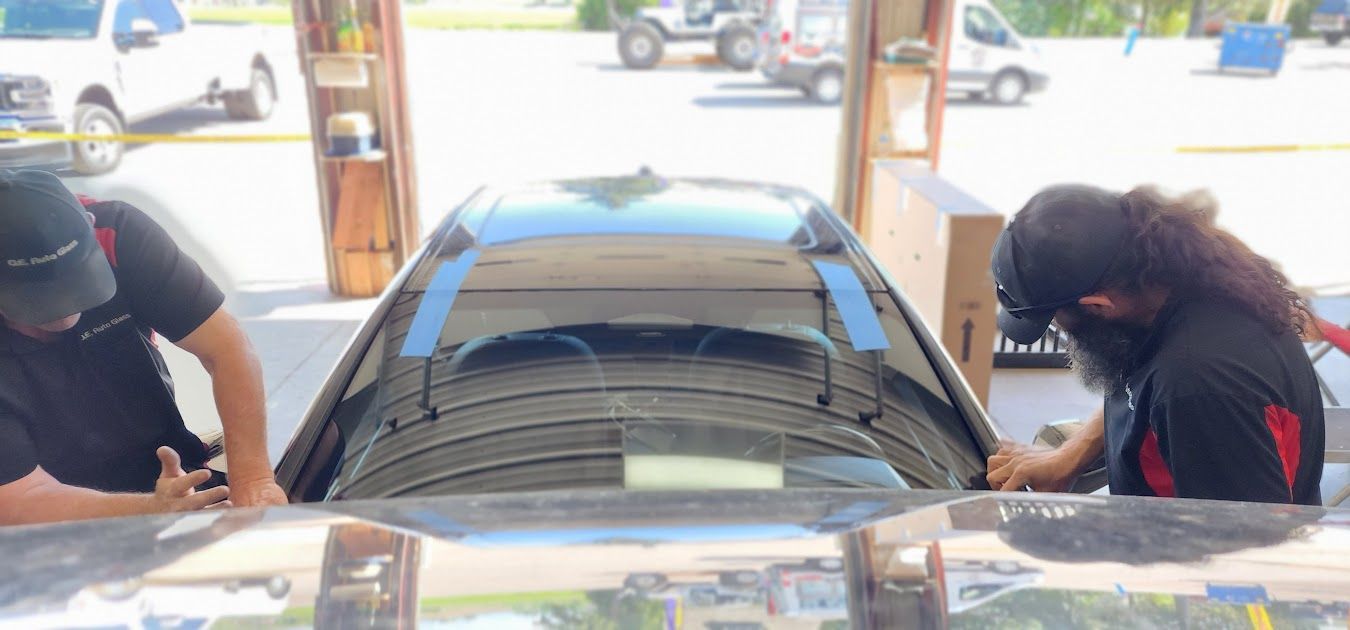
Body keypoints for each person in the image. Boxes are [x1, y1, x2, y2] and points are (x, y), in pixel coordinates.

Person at [985, 184, 1325, 505]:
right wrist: (1070, 454)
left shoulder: (1198, 385)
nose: (1059, 330)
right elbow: (1140, 385)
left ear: (1098, 305)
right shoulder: (1168, 284)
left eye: (1054, 318)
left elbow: (1246, 549)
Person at [0, 169, 287, 525]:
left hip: (168, 474)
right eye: (37, 305)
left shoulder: (117, 234)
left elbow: (226, 349)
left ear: (89, 228)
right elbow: (19, 499)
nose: (64, 314)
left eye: (77, 289)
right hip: (42, 518)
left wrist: (254, 482)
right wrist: (151, 510)